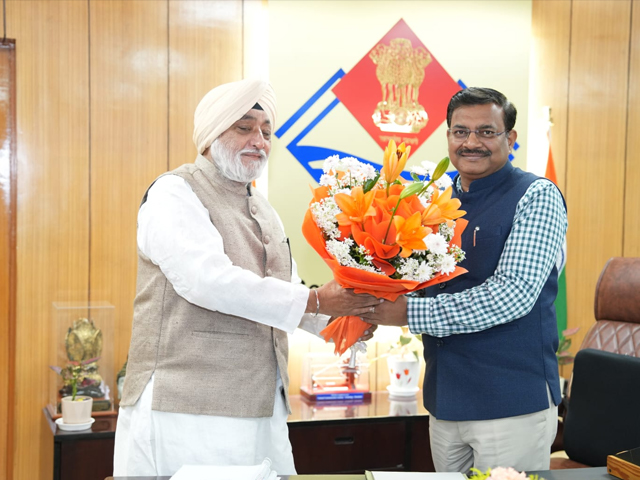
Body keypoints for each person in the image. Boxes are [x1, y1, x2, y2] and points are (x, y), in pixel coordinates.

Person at [113, 78, 380, 477]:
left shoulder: (264, 209)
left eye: (267, 133)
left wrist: (343, 324)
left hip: (261, 404)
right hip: (186, 406)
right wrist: (317, 301)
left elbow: (288, 292)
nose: (259, 141)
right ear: (210, 135)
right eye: (245, 128)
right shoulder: (175, 192)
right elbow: (208, 281)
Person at [362, 87, 567, 473]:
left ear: (510, 138)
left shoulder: (537, 196)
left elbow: (512, 295)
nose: (471, 142)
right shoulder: (435, 201)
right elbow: (411, 278)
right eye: (460, 132)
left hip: (510, 404)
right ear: (448, 137)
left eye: (486, 132)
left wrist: (407, 313)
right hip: (445, 401)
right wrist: (366, 301)